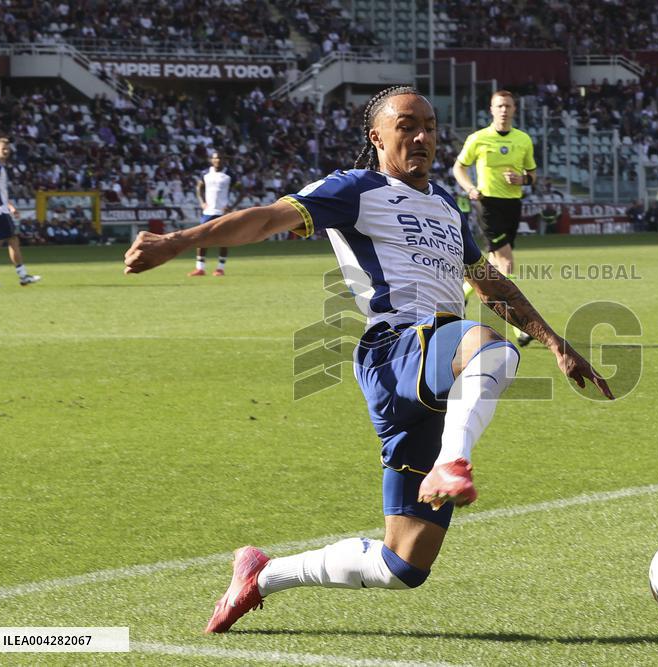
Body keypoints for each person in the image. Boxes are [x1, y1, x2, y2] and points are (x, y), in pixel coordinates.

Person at [123, 85, 613, 634]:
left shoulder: (446, 206)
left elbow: (487, 280)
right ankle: (454, 462)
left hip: (432, 378)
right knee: (490, 347)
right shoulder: (356, 189)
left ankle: (261, 575)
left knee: (402, 565)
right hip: (394, 349)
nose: (422, 136)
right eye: (407, 126)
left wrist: (554, 341)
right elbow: (265, 219)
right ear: (377, 136)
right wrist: (177, 242)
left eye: (429, 125)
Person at [453, 90, 537, 346]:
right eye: (499, 106)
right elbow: (459, 167)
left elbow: (532, 174)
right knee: (506, 263)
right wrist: (470, 188)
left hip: (513, 205)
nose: (503, 110)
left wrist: (522, 179)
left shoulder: (523, 140)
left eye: (508, 106)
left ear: (514, 109)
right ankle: (521, 327)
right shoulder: (478, 138)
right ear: (491, 109)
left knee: (493, 263)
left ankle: (463, 292)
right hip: (487, 204)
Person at [0, 138, 40, 287]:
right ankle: (23, 276)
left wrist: (10, 206)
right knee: (13, 241)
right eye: (3, 149)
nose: (6, 151)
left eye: (8, 149)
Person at [189, 151, 240, 276]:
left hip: (222, 212)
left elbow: (242, 191)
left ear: (224, 160)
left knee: (224, 240)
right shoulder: (205, 173)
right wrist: (202, 202)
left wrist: (232, 206)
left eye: (221, 158)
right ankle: (200, 268)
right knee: (201, 239)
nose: (218, 160)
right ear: (211, 160)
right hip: (208, 212)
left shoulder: (229, 174)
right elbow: (199, 187)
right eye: (216, 158)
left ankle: (220, 268)